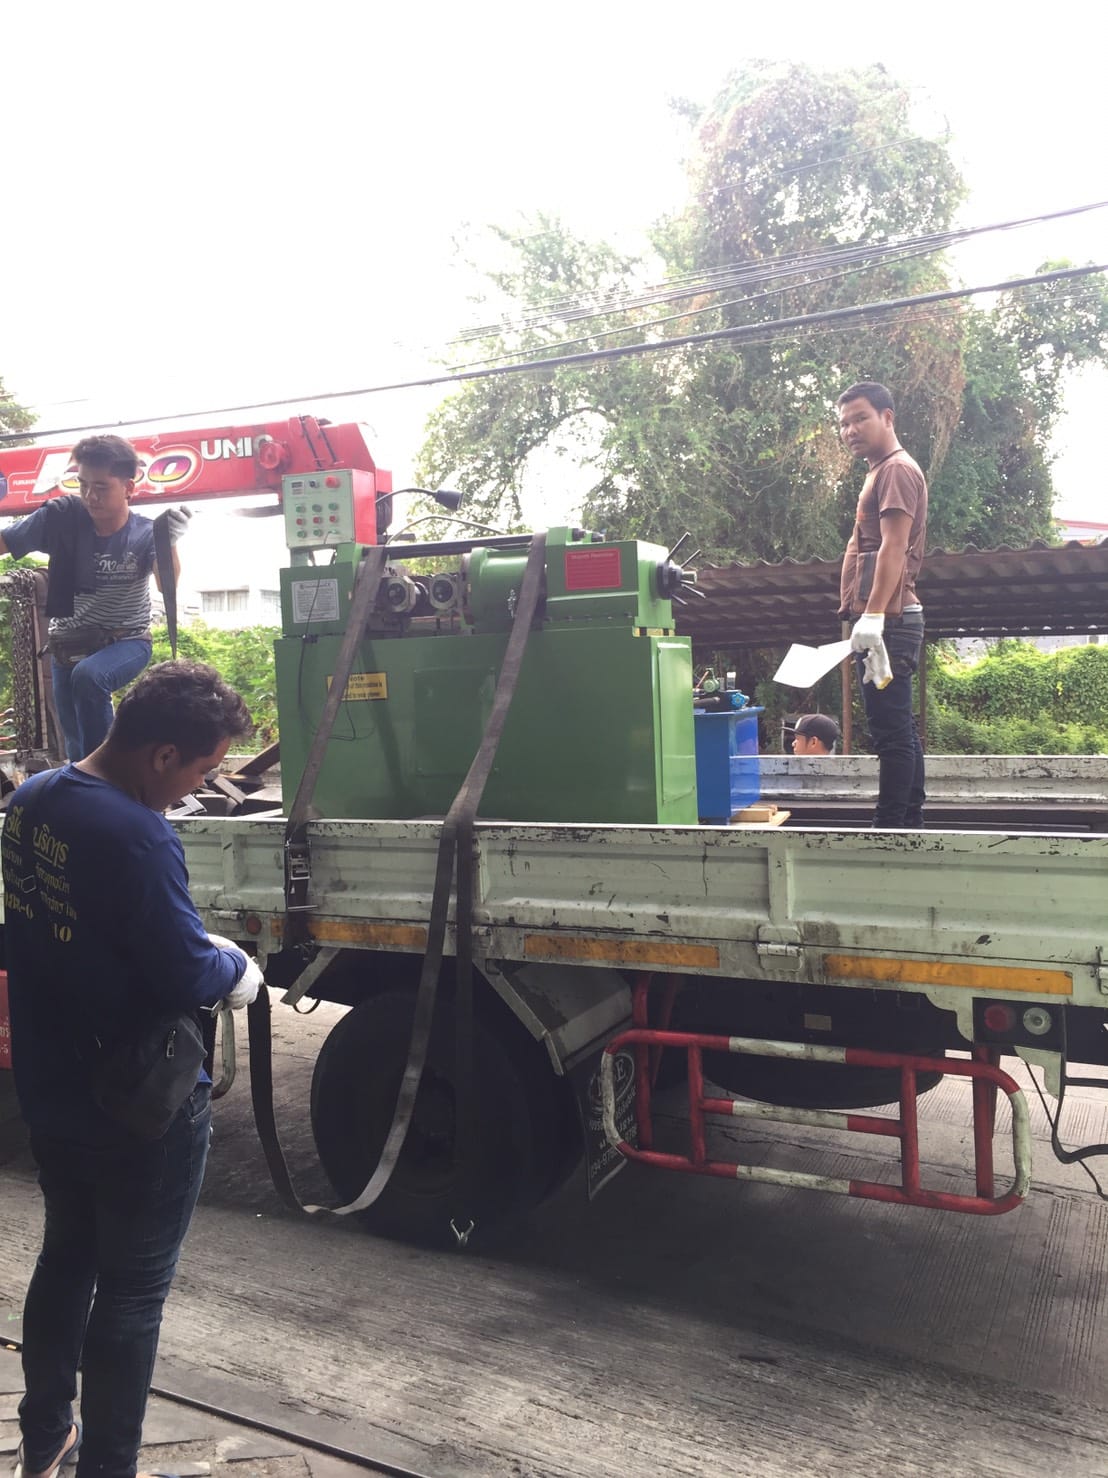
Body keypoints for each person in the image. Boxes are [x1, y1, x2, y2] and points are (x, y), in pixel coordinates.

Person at [1, 660, 262, 1478]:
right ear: (162, 754)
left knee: (66, 1258)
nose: (198, 788)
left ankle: (46, 1434)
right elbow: (186, 972)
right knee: (132, 1294)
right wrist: (235, 967)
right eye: (201, 769)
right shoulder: (138, 834)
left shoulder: (31, 799)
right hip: (140, 1105)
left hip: (52, 1085)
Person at [0, 435, 190, 763]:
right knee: (75, 746)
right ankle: (88, 780)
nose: (90, 496)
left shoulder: (145, 533)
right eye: (83, 485)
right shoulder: (60, 519)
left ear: (129, 488)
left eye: (101, 487)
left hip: (126, 641)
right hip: (67, 645)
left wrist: (167, 541)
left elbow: (166, 585)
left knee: (89, 678)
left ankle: (106, 775)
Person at [836, 381, 928, 827]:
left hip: (889, 621)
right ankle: (908, 824)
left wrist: (872, 615)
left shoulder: (896, 470)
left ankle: (889, 830)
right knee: (900, 729)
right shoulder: (880, 471)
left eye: (860, 418)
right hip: (887, 620)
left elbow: (894, 546)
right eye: (844, 423)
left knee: (890, 734)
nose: (850, 430)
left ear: (887, 417)